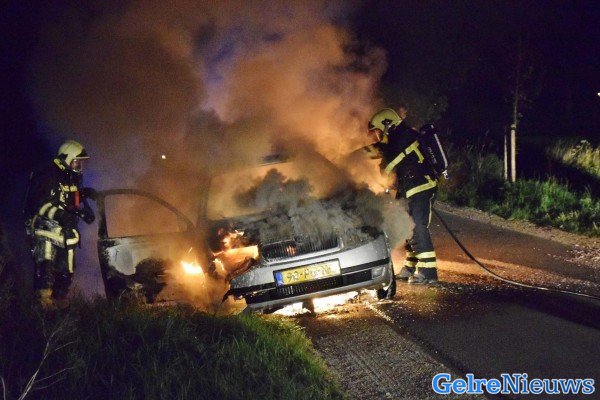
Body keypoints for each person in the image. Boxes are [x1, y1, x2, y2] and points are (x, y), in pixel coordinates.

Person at [366, 108, 439, 284]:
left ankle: (428, 273)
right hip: (410, 188)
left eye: (379, 131)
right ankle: (410, 267)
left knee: (417, 227)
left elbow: (386, 168)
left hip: (421, 187)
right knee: (407, 226)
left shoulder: (401, 139)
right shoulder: (399, 137)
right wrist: (348, 156)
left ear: (387, 125)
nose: (378, 136)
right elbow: (378, 150)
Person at [25, 140, 96, 308]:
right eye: (77, 162)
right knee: (46, 264)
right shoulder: (47, 175)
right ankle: (42, 305)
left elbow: (68, 200)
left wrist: (84, 194)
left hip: (63, 230)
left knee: (67, 267)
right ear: (66, 158)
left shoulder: (70, 176)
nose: (79, 166)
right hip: (44, 227)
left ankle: (60, 301)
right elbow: (39, 205)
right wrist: (63, 216)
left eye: (81, 163)